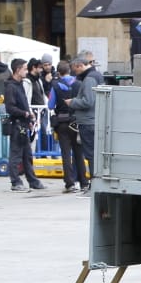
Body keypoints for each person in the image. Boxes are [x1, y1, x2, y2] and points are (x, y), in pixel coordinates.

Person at [3, 58, 45, 192]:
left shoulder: (20, 84)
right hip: (16, 124)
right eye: (25, 69)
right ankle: (15, 182)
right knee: (15, 155)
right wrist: (25, 114)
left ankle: (32, 180)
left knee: (27, 154)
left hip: (23, 123)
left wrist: (30, 120)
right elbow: (10, 108)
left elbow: (25, 103)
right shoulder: (10, 86)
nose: (27, 71)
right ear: (17, 70)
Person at [68, 52, 103, 192]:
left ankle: (94, 185)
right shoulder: (97, 76)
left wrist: (72, 102)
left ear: (80, 65)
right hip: (94, 120)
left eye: (75, 69)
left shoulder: (89, 79)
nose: (74, 73)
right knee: (94, 154)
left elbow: (88, 101)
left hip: (88, 122)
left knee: (91, 155)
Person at [49, 62, 84, 194]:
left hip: (62, 123)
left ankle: (70, 184)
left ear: (58, 72)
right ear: (70, 70)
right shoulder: (79, 84)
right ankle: (84, 183)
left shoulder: (55, 86)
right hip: (76, 122)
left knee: (65, 154)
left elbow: (50, 106)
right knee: (79, 154)